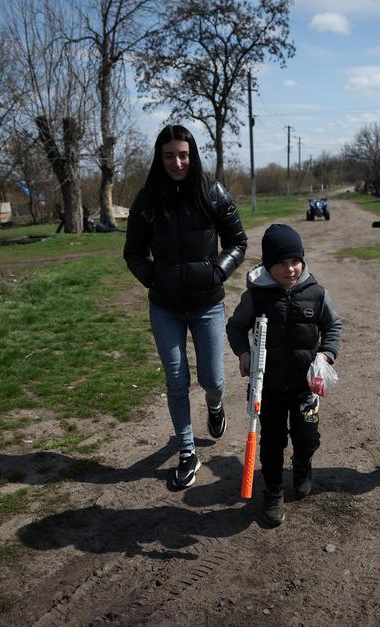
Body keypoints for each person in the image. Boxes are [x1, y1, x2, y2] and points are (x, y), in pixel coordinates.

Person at [124, 125, 248, 489]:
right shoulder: (147, 200)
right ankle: (187, 450)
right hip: (165, 307)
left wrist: (216, 272)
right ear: (159, 158)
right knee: (176, 379)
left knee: (212, 378)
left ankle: (215, 405)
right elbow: (133, 253)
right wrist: (153, 276)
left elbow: (238, 242)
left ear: (192, 155)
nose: (177, 163)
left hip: (207, 304)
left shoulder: (213, 193)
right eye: (169, 156)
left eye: (183, 155)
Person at [226, 224, 342, 526]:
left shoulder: (317, 294)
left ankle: (302, 464)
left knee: (307, 438)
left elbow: (333, 326)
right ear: (268, 265)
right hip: (269, 387)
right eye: (281, 263)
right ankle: (274, 491)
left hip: (305, 388)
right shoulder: (257, 296)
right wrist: (244, 353)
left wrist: (325, 354)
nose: (290, 269)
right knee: (272, 442)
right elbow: (235, 327)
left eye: (295, 261)